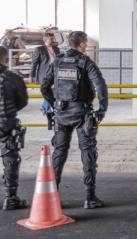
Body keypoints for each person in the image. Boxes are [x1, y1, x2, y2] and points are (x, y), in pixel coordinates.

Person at [41, 31, 108, 209]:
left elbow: (44, 86)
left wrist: (54, 102)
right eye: (85, 42)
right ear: (82, 44)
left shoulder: (57, 61)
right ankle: (90, 197)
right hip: (82, 114)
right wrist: (102, 109)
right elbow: (100, 85)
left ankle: (51, 197)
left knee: (59, 153)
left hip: (61, 114)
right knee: (88, 152)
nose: (86, 45)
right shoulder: (86, 62)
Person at [0, 46, 28, 210]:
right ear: (5, 59)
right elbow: (23, 101)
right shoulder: (12, 78)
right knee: (11, 160)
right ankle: (10, 199)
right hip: (6, 124)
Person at [31, 32, 61, 116]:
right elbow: (34, 63)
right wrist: (31, 75)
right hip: (44, 74)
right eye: (51, 39)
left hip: (56, 73)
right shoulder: (39, 49)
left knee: (54, 91)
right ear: (45, 40)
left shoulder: (56, 48)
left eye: (53, 38)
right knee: (47, 91)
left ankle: (46, 108)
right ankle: (47, 109)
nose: (53, 40)